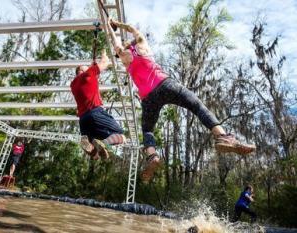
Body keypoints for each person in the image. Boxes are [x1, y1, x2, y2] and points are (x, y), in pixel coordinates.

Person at [107, 18, 256, 183]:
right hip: (165, 85)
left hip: (147, 98)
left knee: (148, 129)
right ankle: (223, 137)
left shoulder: (125, 57)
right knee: (197, 106)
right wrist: (118, 24)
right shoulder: (142, 45)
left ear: (128, 46)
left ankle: (152, 156)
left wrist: (109, 27)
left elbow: (116, 45)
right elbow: (132, 28)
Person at [70, 50, 126, 159]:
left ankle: (93, 151)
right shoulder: (88, 74)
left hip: (83, 119)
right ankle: (104, 144)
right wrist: (104, 53)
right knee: (121, 136)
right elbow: (105, 62)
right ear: (82, 70)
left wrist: (92, 68)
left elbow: (89, 83)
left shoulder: (73, 85)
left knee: (91, 150)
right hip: (95, 113)